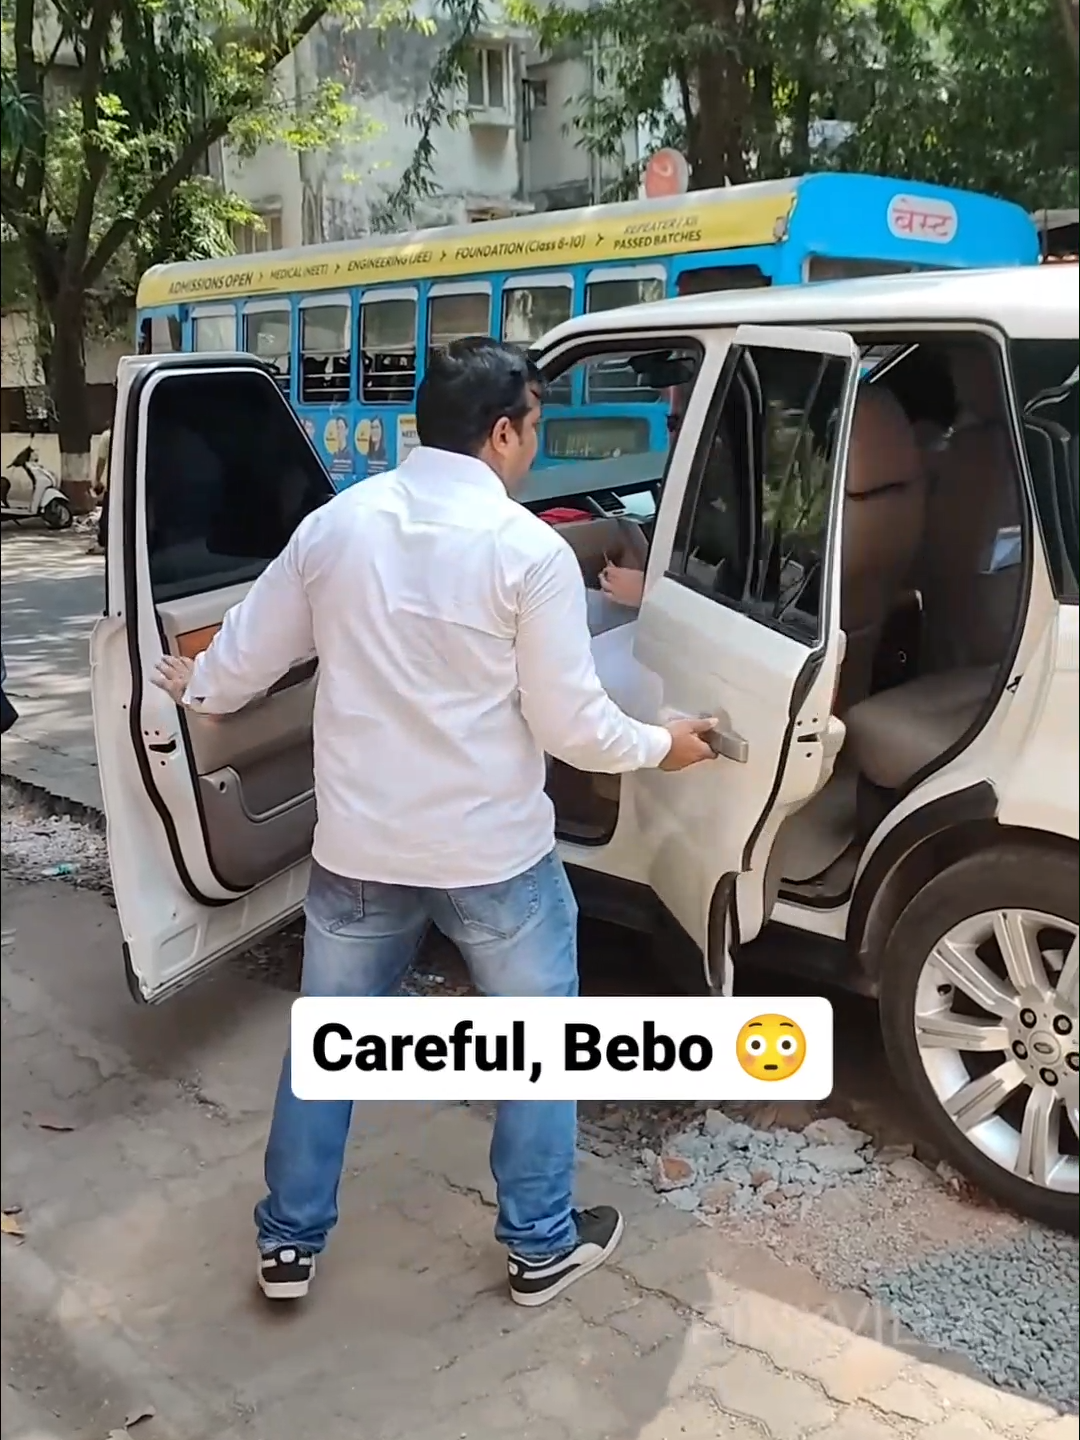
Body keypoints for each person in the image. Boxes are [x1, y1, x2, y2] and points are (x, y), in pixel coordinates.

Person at [152, 337, 717, 1308]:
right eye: (533, 427)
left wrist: (194, 681)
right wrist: (665, 745)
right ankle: (539, 1244)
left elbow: (240, 667)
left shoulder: (338, 527)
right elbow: (573, 727)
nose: (532, 447)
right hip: (493, 856)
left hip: (360, 851)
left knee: (327, 1039)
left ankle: (288, 1243)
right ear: (502, 432)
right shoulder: (525, 552)